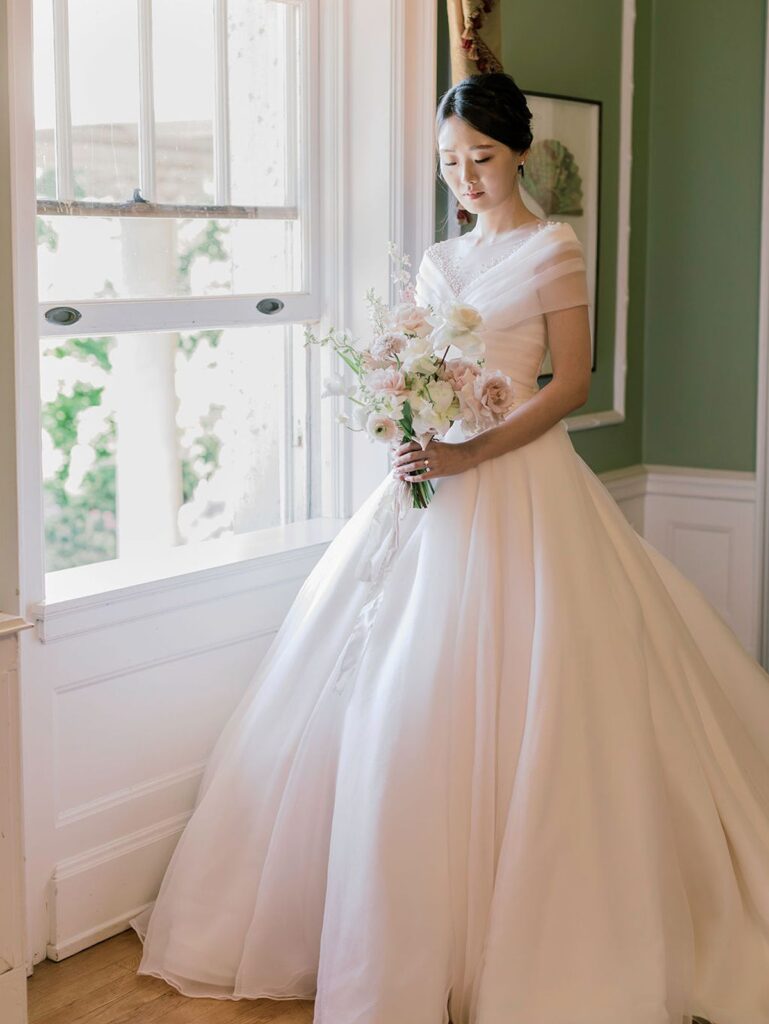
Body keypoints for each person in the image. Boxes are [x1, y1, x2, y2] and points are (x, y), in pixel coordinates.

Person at [129, 72, 769, 1024]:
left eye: (479, 158)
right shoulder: (436, 261)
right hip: (431, 488)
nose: (464, 177)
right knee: (396, 690)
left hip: (518, 481)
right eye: (448, 163)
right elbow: (417, 363)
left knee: (543, 697)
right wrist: (407, 418)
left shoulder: (554, 246)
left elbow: (568, 382)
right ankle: (386, 934)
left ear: (515, 151)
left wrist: (474, 449)